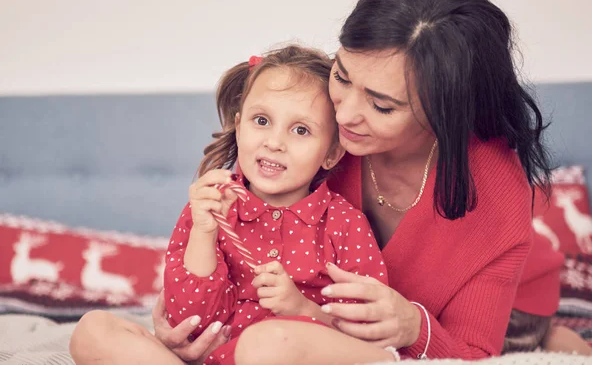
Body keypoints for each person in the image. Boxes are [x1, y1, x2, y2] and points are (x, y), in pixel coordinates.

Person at [71, 0, 592, 364]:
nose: (342, 113)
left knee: (531, 332)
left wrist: (412, 325)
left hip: (503, 307)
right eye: (342, 75)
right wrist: (176, 323)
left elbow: (471, 351)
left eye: (382, 105)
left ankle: (555, 336)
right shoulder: (312, 129)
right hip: (301, 337)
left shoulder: (494, 195)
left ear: (446, 113)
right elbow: (205, 280)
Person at [70, 45, 390, 365]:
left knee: (266, 342)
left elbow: (367, 336)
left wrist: (301, 309)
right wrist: (203, 233)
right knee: (93, 329)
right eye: (261, 120)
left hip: (281, 355)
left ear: (331, 153)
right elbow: (188, 321)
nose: (274, 142)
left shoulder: (345, 223)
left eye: (301, 130)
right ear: (239, 127)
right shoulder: (210, 209)